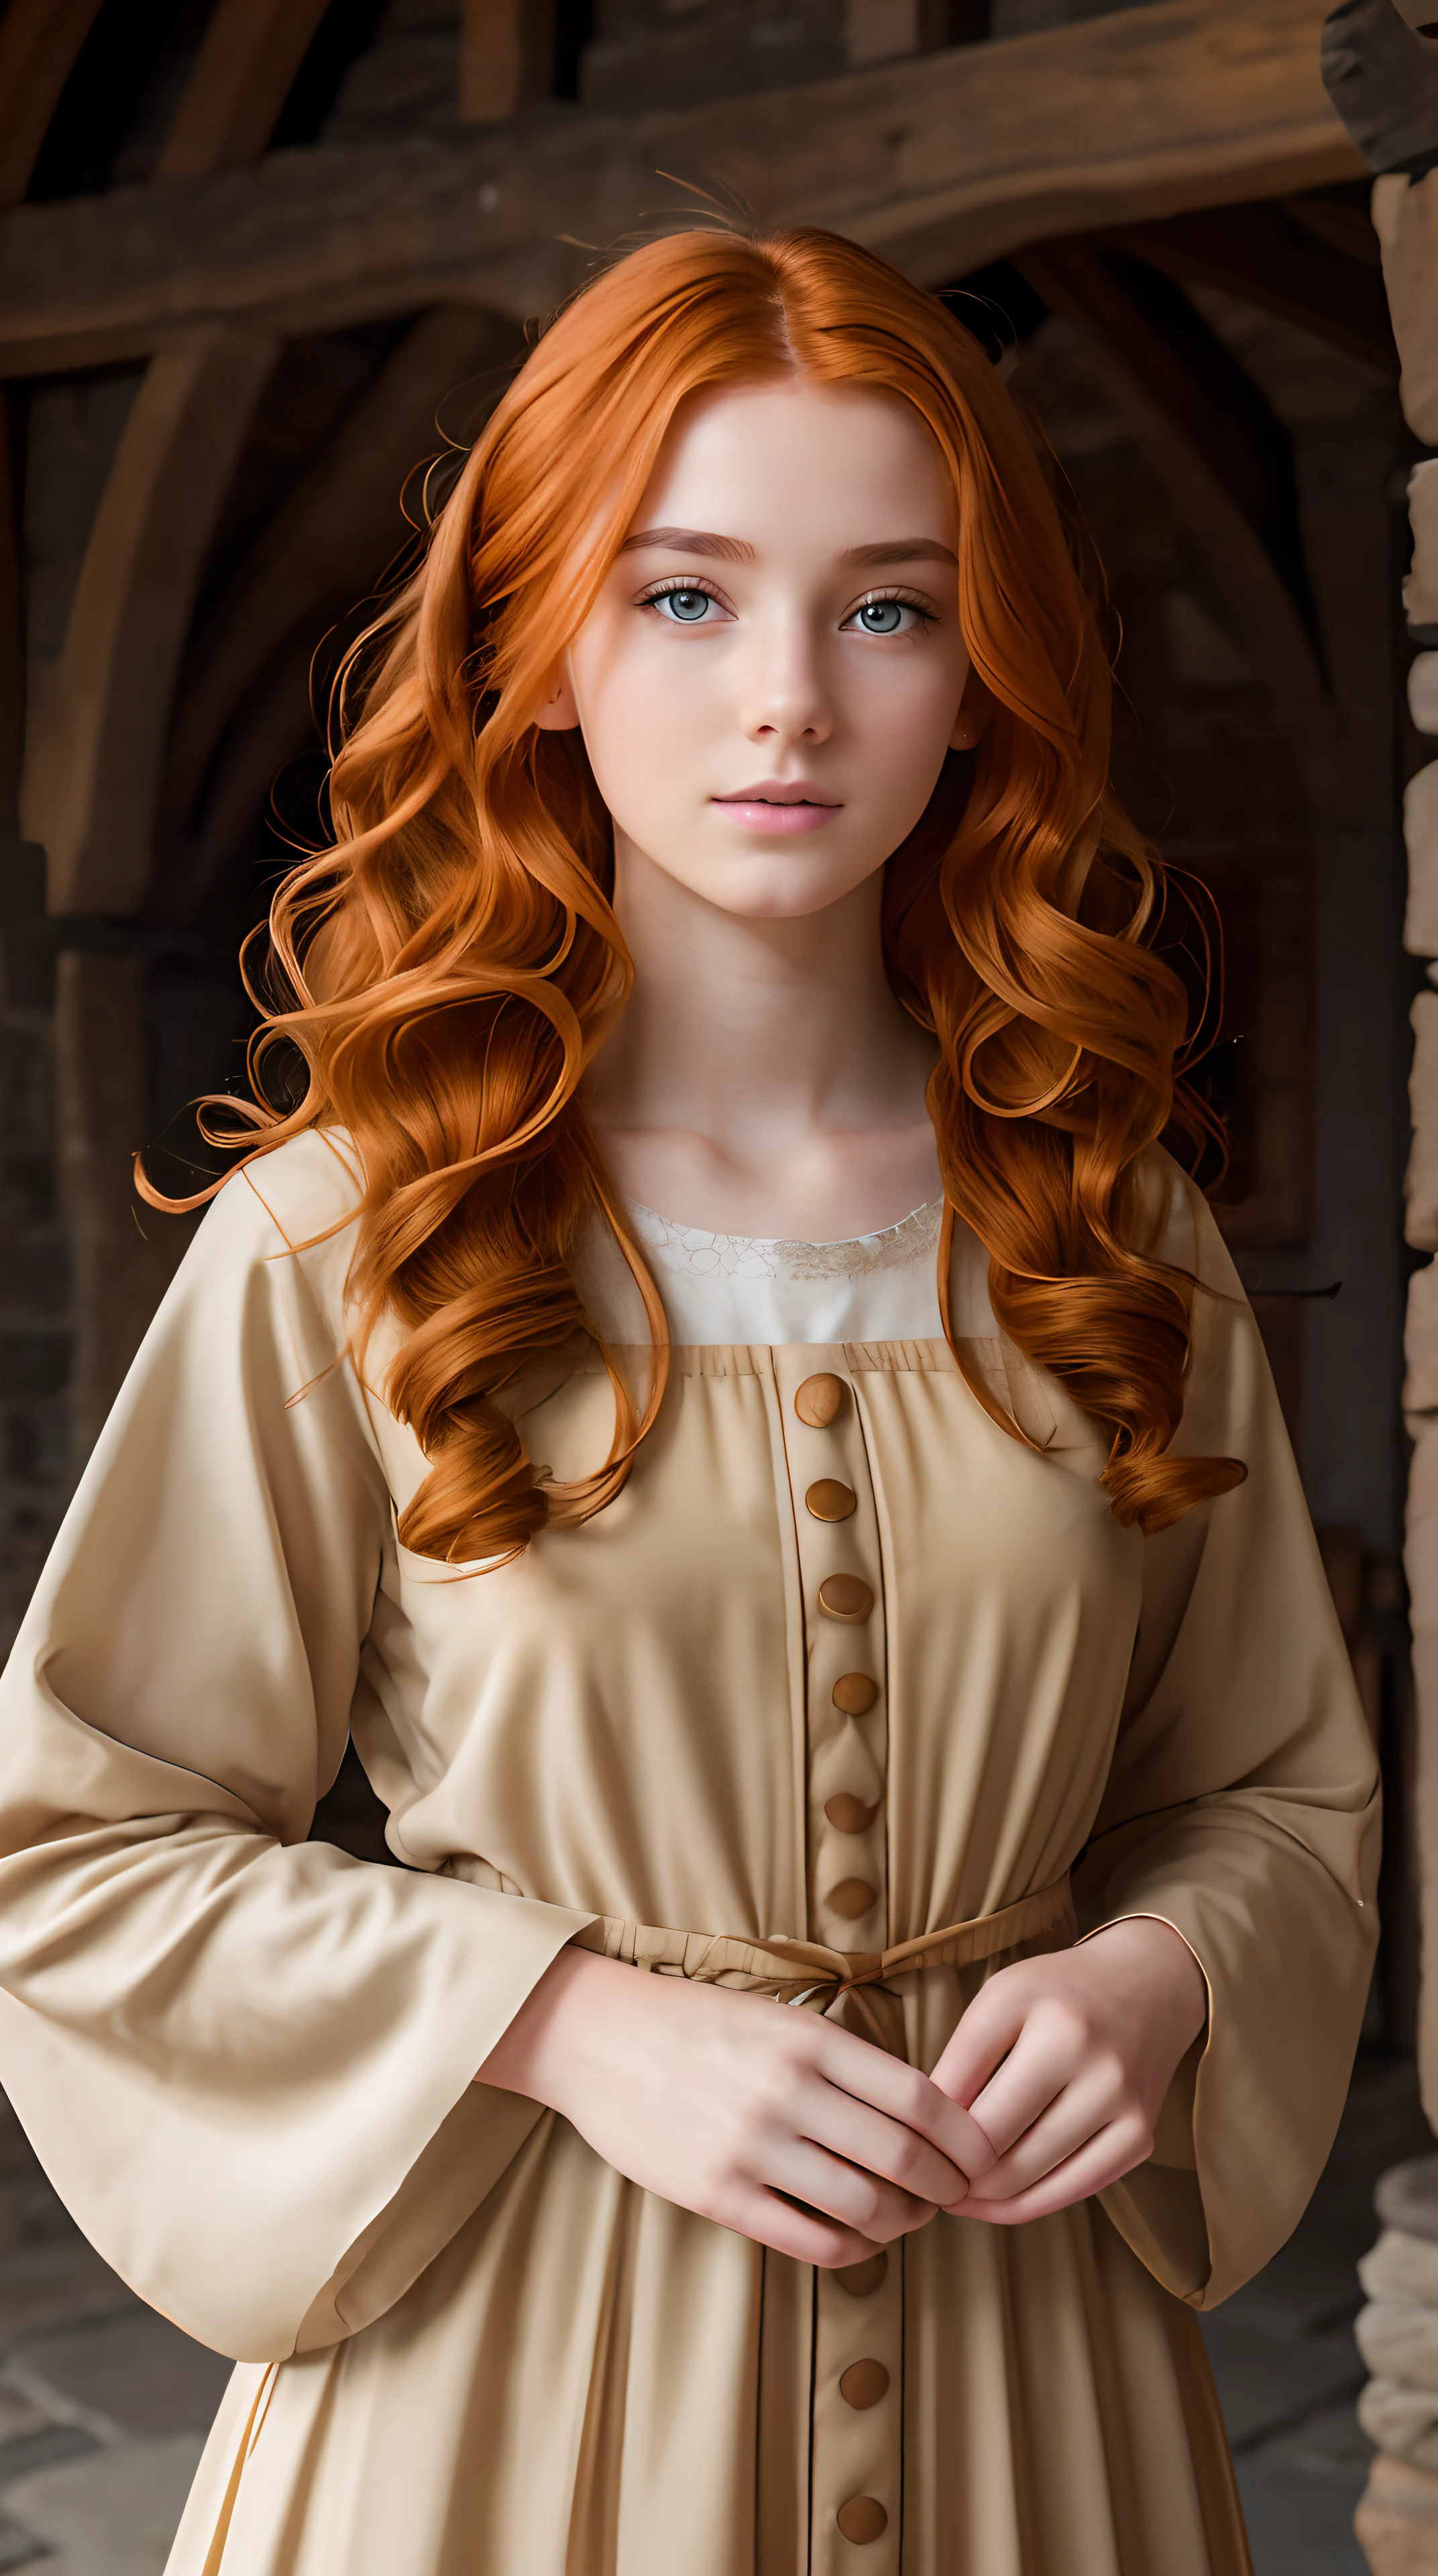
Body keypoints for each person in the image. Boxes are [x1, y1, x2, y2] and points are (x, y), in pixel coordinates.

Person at [0, 226, 1378, 2576]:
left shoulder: (1107, 1223)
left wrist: (1168, 1975)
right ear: (537, 647)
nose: (789, 705)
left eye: (884, 609)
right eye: (682, 596)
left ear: (980, 674)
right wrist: (559, 2019)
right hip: (494, 2421)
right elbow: (82, 1855)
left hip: (1035, 2412)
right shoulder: (355, 1233)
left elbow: (1275, 1789)